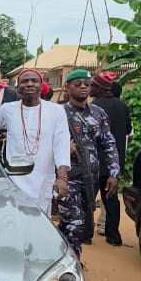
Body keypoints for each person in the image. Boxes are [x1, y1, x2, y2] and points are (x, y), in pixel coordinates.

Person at [0, 70, 72, 216]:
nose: (29, 84)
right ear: (17, 88)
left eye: (34, 81)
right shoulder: (7, 109)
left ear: (41, 86)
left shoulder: (56, 111)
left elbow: (61, 144)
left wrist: (62, 177)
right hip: (15, 179)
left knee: (39, 223)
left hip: (43, 179)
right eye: (25, 81)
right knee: (14, 221)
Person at [58, 69, 120, 256]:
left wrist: (113, 173)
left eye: (87, 83)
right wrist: (62, 144)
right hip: (67, 176)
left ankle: (59, 256)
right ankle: (73, 263)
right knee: (74, 224)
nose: (83, 87)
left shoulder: (99, 113)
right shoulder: (58, 113)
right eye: (78, 84)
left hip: (90, 177)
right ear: (67, 87)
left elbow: (109, 143)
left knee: (80, 223)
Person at [90, 71, 131, 246]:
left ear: (99, 88)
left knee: (87, 197)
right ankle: (113, 236)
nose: (88, 88)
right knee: (111, 199)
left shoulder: (93, 107)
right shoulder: (122, 106)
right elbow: (128, 129)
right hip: (114, 162)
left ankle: (85, 234)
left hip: (95, 161)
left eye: (92, 85)